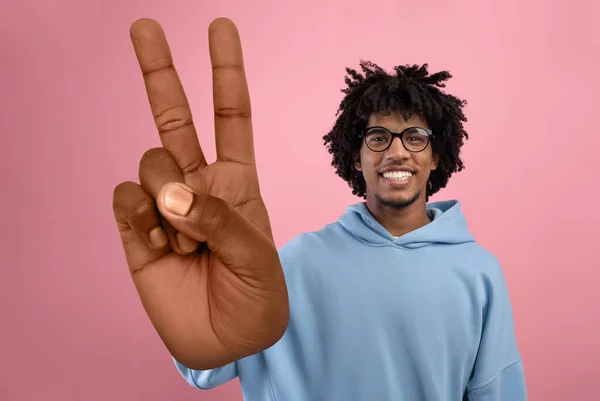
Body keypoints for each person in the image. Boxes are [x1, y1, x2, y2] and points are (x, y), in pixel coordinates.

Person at [112, 17, 527, 401]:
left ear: (437, 155)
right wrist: (201, 286)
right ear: (355, 156)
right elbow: (209, 360)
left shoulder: (479, 273)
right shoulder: (292, 264)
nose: (397, 151)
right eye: (378, 137)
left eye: (415, 136)